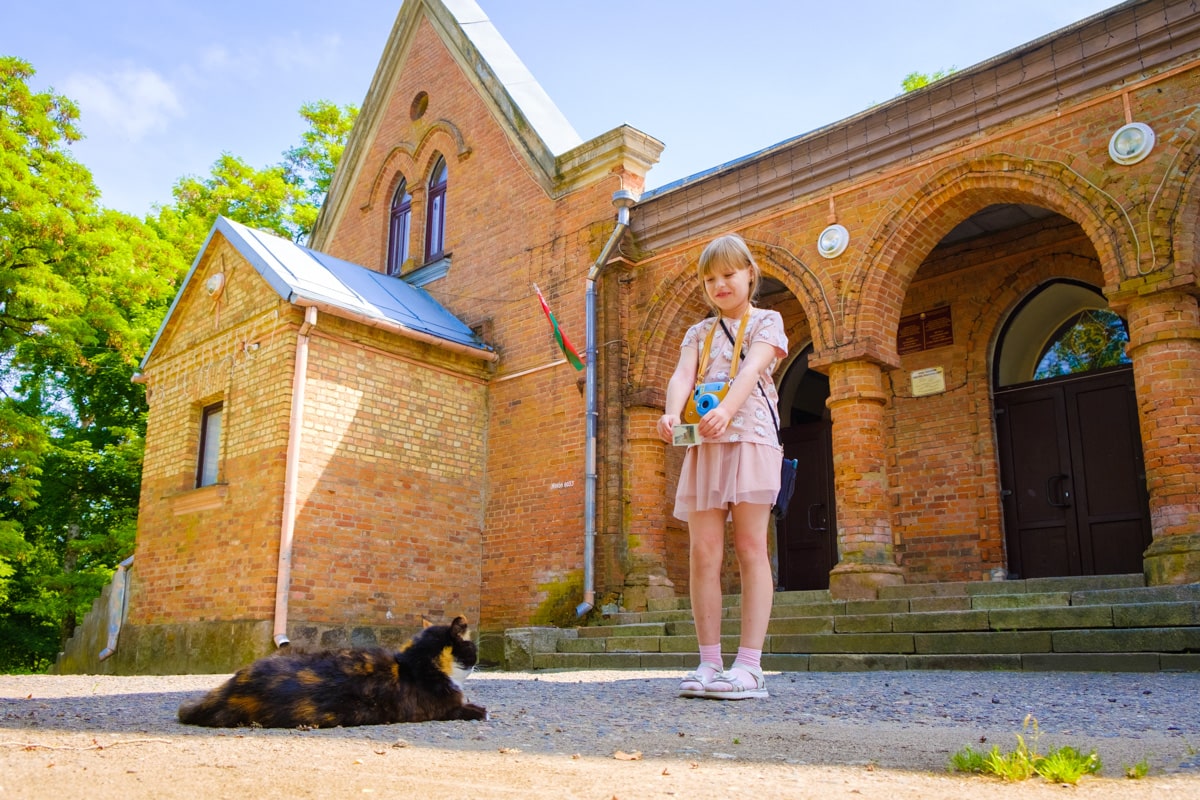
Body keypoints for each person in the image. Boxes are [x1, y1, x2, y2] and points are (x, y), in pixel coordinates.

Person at [656, 233, 788, 700]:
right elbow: (681, 376)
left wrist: (727, 410)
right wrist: (672, 412)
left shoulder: (768, 321)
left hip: (750, 439)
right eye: (710, 279)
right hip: (705, 445)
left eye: (729, 274)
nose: (720, 285)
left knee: (751, 547)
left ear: (750, 273)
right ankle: (709, 662)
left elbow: (752, 370)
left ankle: (750, 666)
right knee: (703, 552)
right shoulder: (697, 332)